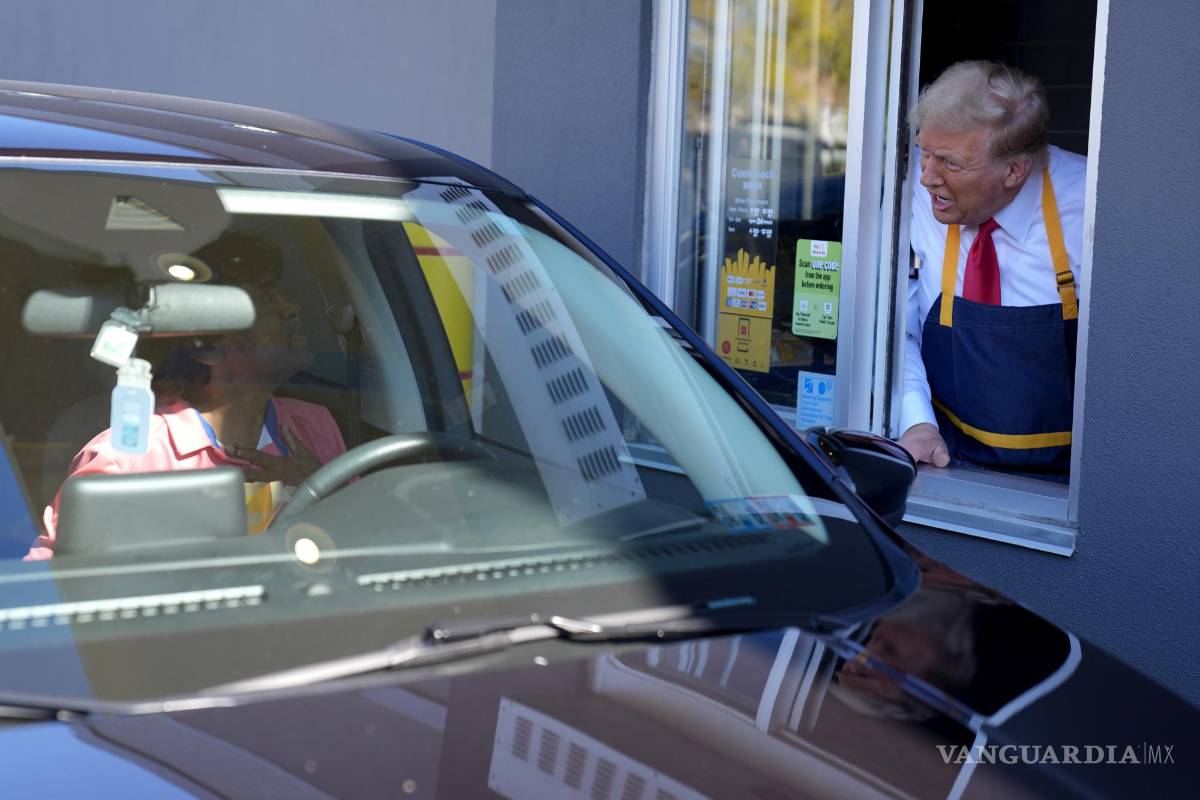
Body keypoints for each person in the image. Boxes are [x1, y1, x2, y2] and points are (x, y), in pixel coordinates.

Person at [26, 233, 346, 559]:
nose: (292, 306)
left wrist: (321, 486)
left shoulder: (314, 424)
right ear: (205, 349)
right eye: (265, 295)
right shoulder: (129, 457)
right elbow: (49, 581)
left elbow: (372, 543)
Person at [898, 61, 1086, 478]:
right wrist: (916, 421)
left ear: (1014, 172)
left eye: (949, 162)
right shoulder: (915, 190)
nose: (928, 177)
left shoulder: (1089, 208)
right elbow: (898, 324)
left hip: (1062, 484)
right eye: (925, 152)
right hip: (944, 463)